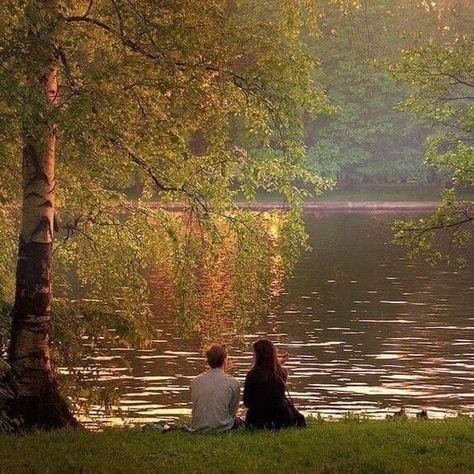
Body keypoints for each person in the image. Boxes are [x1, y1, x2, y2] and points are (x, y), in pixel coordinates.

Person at [243, 339, 305, 430]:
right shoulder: (282, 373)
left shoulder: (252, 375)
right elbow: (271, 370)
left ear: (258, 355)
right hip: (280, 418)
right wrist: (279, 362)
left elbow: (247, 401)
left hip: (257, 420)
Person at [190, 343, 241, 432]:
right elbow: (232, 412)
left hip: (198, 427)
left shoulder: (195, 381)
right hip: (224, 427)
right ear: (225, 360)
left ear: (208, 360)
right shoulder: (233, 383)